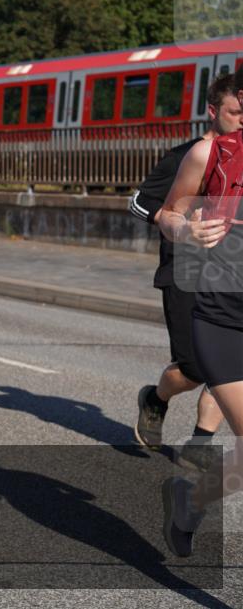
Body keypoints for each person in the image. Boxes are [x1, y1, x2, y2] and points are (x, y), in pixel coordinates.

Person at [131, 73, 239, 470]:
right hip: (185, 272)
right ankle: (156, 398)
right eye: (235, 112)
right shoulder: (188, 155)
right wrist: (180, 226)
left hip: (229, 278)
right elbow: (140, 203)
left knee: (228, 364)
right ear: (213, 111)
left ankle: (200, 440)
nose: (241, 119)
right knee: (194, 367)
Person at [158, 65, 243, 559]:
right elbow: (168, 213)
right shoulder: (208, 153)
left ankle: (191, 500)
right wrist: (186, 231)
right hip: (224, 320)